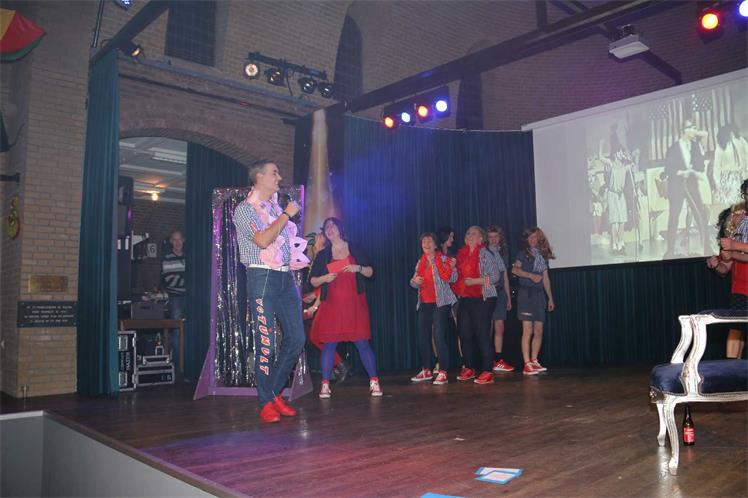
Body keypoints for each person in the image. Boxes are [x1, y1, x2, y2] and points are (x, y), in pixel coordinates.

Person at [233, 160, 308, 423]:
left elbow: (284, 243)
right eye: (274, 173)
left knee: (297, 338)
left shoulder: (274, 208)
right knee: (266, 342)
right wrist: (287, 214)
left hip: (284, 276)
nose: (279, 177)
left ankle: (273, 392)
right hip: (261, 275)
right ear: (259, 177)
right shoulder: (244, 209)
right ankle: (266, 401)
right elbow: (264, 240)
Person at [309, 217, 381, 398]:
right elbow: (313, 280)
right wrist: (325, 278)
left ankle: (374, 382)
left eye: (332, 225)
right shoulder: (323, 254)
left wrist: (358, 268)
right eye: (326, 227)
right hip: (331, 305)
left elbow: (371, 272)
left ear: (340, 228)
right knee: (329, 344)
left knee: (362, 343)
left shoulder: (355, 248)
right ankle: (325, 385)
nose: (329, 229)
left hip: (354, 304)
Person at [453, 226, 500, 385]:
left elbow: (495, 276)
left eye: (474, 233)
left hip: (483, 297)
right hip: (466, 298)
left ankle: (487, 370)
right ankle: (469, 367)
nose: (469, 235)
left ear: (481, 239)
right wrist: (451, 269)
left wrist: (475, 281)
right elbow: (455, 278)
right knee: (464, 333)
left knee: (482, 334)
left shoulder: (485, 254)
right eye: (467, 233)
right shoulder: (461, 256)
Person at [409, 232, 457, 385]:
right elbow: (413, 282)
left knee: (438, 337)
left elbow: (453, 278)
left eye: (429, 241)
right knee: (423, 336)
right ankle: (427, 369)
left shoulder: (443, 259)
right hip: (424, 303)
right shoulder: (420, 261)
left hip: (440, 303)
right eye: (424, 242)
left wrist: (452, 268)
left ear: (436, 245)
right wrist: (415, 281)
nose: (426, 244)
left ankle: (443, 371)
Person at [708, 180, 748, 359]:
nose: (738, 216)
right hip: (740, 290)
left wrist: (733, 248)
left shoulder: (734, 241)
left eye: (741, 213)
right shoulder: (734, 236)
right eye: (735, 214)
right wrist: (717, 264)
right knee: (736, 329)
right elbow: (725, 268)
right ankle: (732, 368)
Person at [512, 227, 556, 375]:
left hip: (539, 296)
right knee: (528, 330)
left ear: (539, 239)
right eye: (530, 237)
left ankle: (534, 360)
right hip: (526, 295)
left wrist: (550, 298)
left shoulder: (542, 256)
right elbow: (515, 270)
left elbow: (546, 278)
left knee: (539, 330)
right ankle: (526, 363)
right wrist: (530, 275)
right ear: (526, 239)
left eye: (535, 237)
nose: (532, 240)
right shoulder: (522, 254)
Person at [664, 120, 710, 257]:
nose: (695, 130)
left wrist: (694, 169)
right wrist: (681, 172)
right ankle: (670, 251)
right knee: (674, 217)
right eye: (692, 128)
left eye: (695, 128)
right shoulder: (673, 148)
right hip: (676, 186)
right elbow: (668, 169)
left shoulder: (695, 146)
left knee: (701, 214)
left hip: (691, 185)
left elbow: (700, 166)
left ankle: (707, 248)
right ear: (684, 130)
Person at [486, 226, 513, 373]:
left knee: (500, 326)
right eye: (490, 237)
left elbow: (505, 276)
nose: (493, 239)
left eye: (495, 236)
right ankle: (487, 359)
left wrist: (508, 298)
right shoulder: (484, 253)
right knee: (487, 327)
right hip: (488, 292)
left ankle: (498, 359)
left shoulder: (503, 254)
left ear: (500, 238)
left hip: (501, 293)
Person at [161, 230, 185, 369]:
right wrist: (187, 281)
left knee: (189, 329)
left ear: (183, 240)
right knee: (177, 330)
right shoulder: (167, 258)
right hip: (175, 298)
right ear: (171, 242)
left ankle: (188, 362)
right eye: (174, 240)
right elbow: (170, 279)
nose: (177, 242)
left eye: (179, 239)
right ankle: (178, 364)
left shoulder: (189, 257)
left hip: (190, 299)